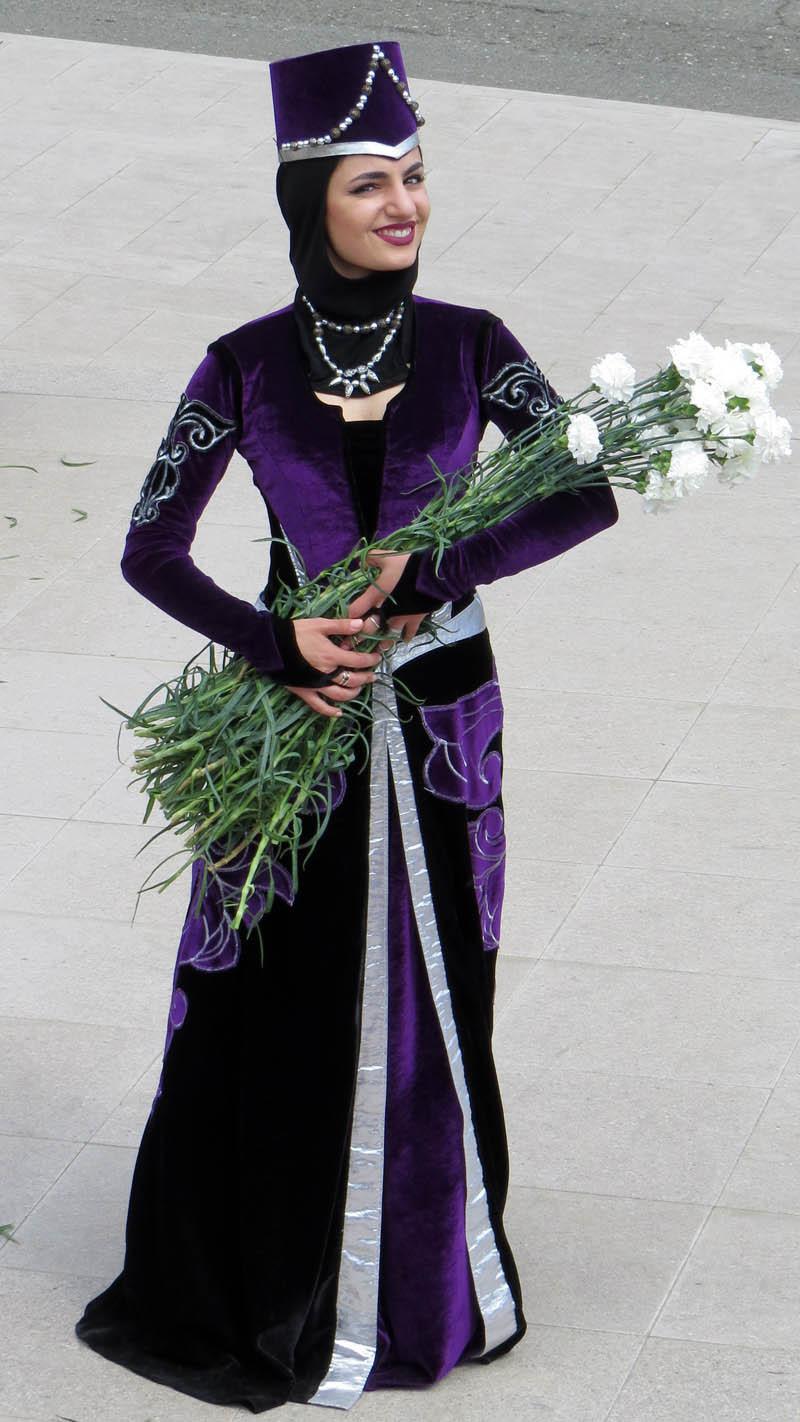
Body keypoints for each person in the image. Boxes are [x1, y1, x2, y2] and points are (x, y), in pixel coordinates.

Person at [74, 39, 619, 1414]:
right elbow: (150, 547)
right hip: (288, 725)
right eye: (372, 183)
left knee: (440, 994)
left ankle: (424, 1286)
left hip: (439, 723)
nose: (405, 205)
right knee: (271, 993)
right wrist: (274, 642)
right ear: (309, 197)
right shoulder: (244, 366)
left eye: (417, 177)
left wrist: (441, 568)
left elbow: (585, 489)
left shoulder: (476, 346)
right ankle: (270, 1279)